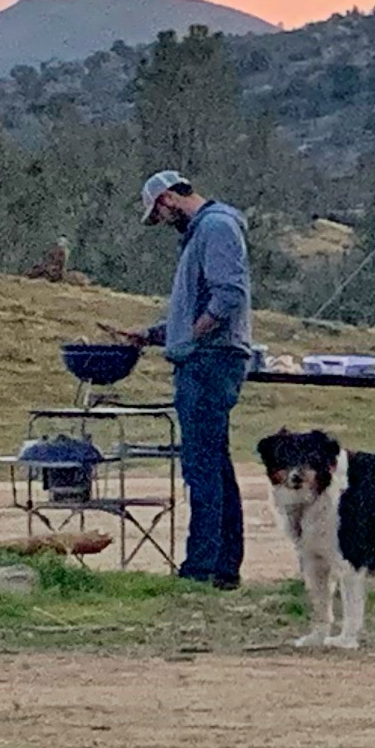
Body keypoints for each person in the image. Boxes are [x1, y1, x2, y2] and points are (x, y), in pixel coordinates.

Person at [133, 170, 255, 587]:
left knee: (201, 466)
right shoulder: (205, 231)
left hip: (210, 362)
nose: (163, 222)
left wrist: (193, 335)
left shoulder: (217, 226)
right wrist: (151, 334)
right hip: (204, 358)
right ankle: (222, 568)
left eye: (160, 213)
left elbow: (229, 295)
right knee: (214, 464)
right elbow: (194, 309)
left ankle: (200, 567)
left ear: (169, 198)